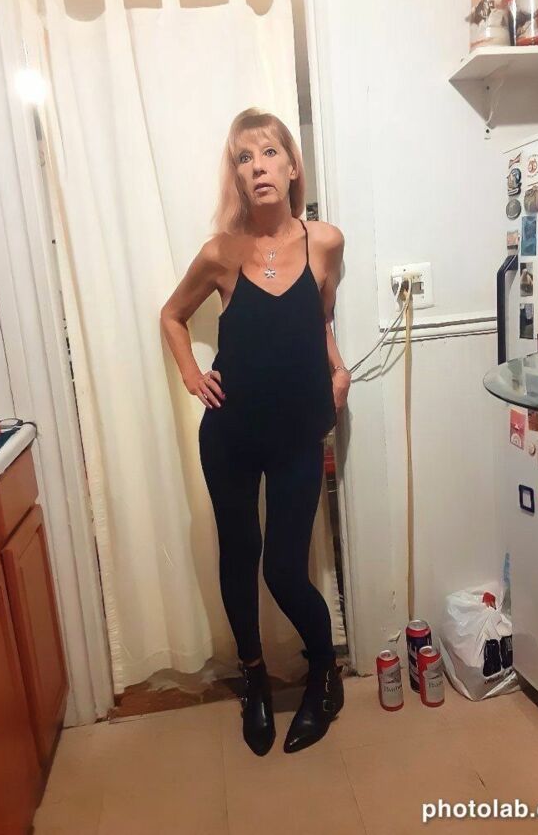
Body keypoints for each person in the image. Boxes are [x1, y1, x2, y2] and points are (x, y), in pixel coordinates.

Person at [160, 108, 351, 756]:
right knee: (239, 557)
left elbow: (318, 317)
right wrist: (192, 375)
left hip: (298, 433)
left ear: (292, 166)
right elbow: (172, 315)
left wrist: (338, 367)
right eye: (244, 158)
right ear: (237, 176)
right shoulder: (222, 253)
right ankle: (255, 680)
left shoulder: (326, 242)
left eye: (269, 152)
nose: (258, 166)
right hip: (231, 436)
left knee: (285, 570)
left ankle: (324, 673)